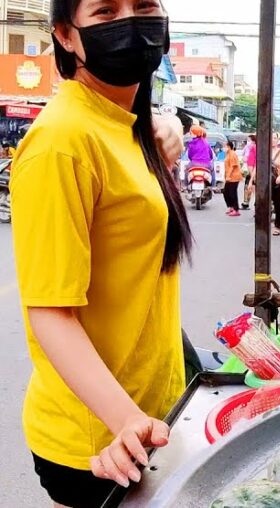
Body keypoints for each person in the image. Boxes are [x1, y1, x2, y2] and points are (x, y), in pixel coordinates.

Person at [11, 1, 190, 506]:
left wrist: (168, 125)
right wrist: (125, 419)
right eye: (106, 11)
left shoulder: (126, 122)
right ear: (67, 36)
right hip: (101, 440)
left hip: (154, 408)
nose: (131, 23)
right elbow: (50, 312)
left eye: (144, 6)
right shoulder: (60, 141)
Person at [223, 141, 242, 216]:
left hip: (234, 177)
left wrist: (228, 175)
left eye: (225, 146)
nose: (224, 148)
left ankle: (236, 209)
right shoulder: (228, 154)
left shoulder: (232, 154)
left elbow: (232, 166)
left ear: (229, 146)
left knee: (232, 193)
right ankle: (231, 206)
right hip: (229, 177)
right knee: (226, 192)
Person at [242, 134, 256, 210]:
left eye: (249, 140)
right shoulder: (247, 148)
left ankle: (251, 203)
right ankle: (246, 203)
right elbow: (244, 157)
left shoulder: (254, 148)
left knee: (251, 187)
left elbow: (252, 162)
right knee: (247, 187)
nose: (248, 142)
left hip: (253, 171)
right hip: (249, 170)